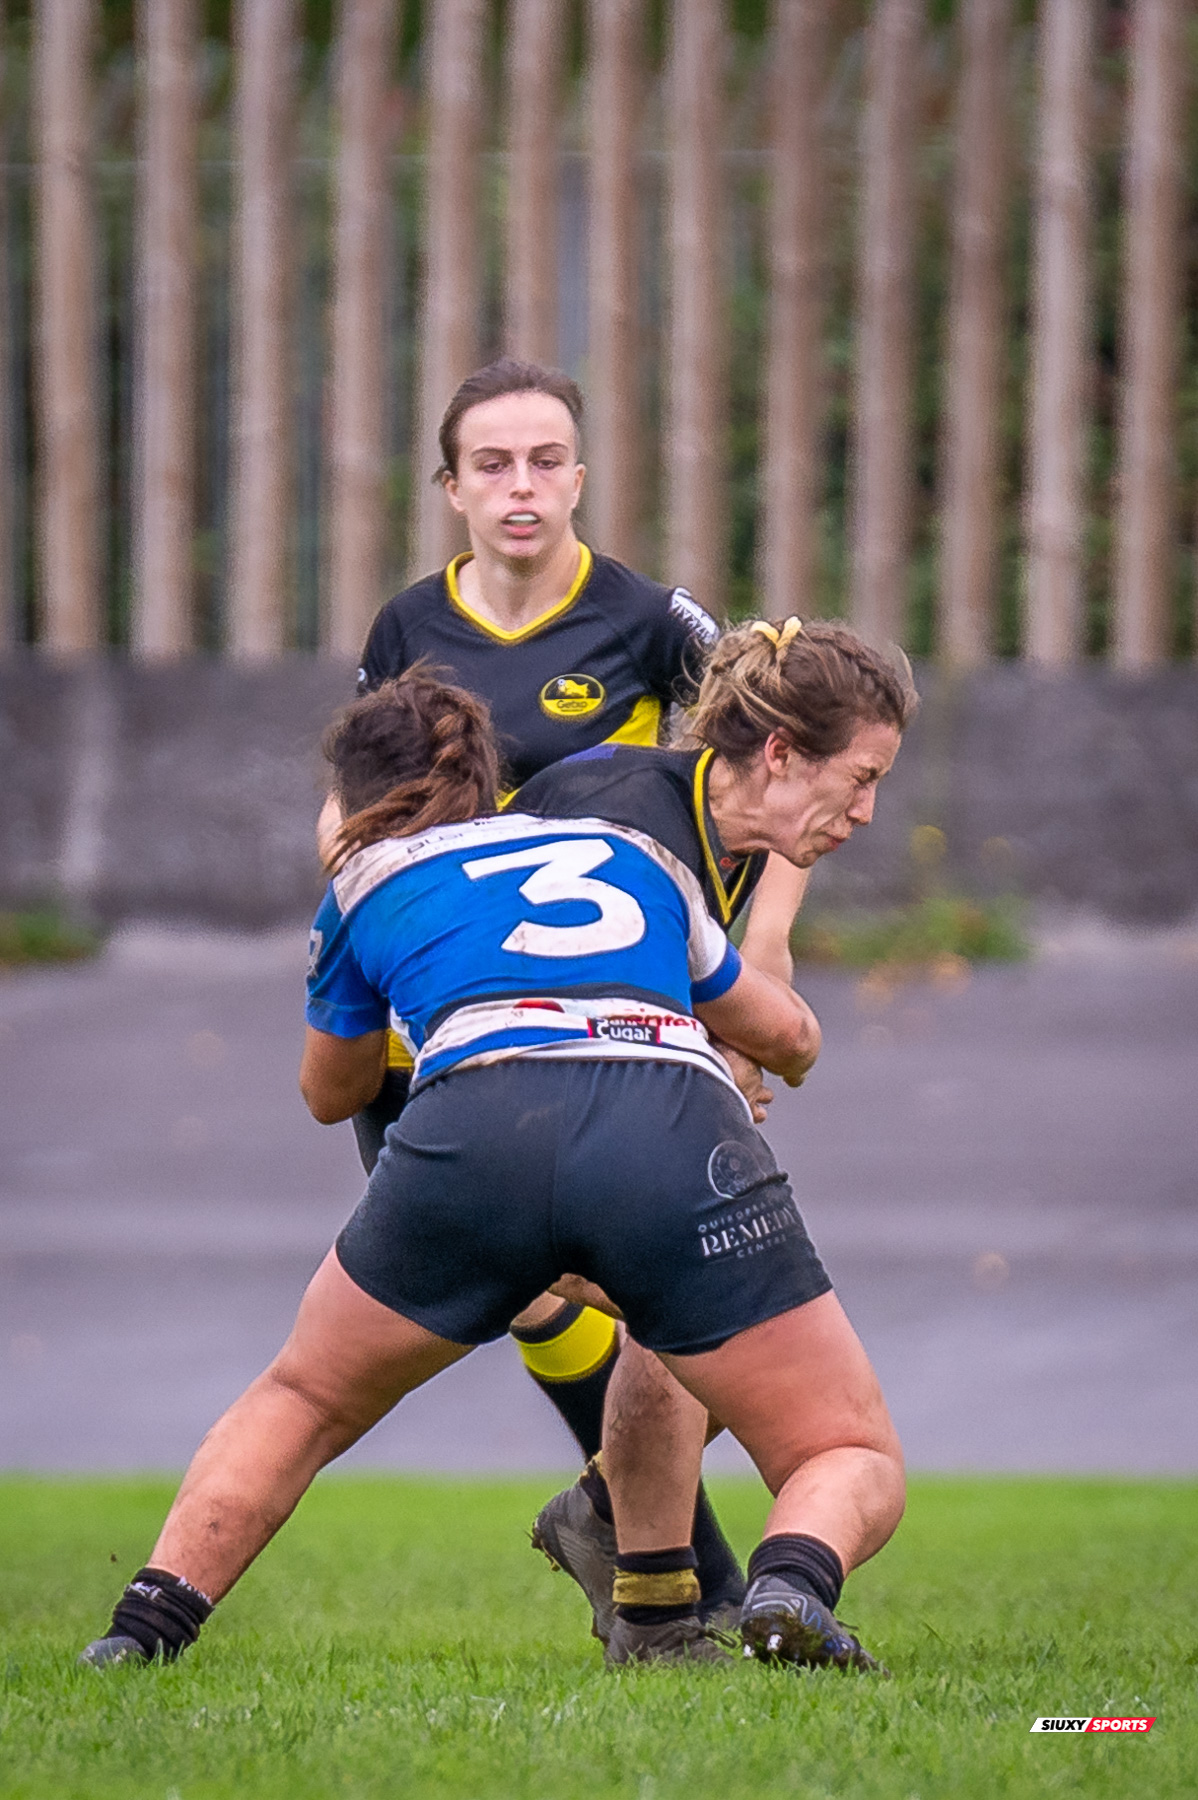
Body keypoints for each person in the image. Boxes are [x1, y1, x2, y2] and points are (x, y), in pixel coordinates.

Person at [81, 667, 903, 1674]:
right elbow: (785, 1034)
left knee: (301, 1400)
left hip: (475, 1135)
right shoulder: (632, 851)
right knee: (840, 1446)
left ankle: (140, 1633)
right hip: (668, 1136)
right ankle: (786, 1588)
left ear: (352, 807)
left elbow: (331, 1092)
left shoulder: (364, 885)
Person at [320, 354, 805, 1621]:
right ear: (451, 489)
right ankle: (646, 1545)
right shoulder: (406, 629)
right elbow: (355, 805)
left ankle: (662, 1562)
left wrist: (763, 960)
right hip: (441, 1017)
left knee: (642, 1289)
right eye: (492, 464)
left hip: (629, 1008)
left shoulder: (653, 622)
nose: (520, 486)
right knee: (540, 1296)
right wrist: (344, 939)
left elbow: (781, 771)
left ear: (579, 478)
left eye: (544, 461)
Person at [512, 614, 919, 1650]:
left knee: (693, 1292)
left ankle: (641, 1583)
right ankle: (621, 1535)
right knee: (713, 1288)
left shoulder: (731, 814)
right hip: (471, 1109)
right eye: (861, 779)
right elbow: (549, 997)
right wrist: (732, 1043)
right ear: (779, 751)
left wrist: (732, 1016)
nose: (868, 814)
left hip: (559, 1107)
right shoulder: (629, 818)